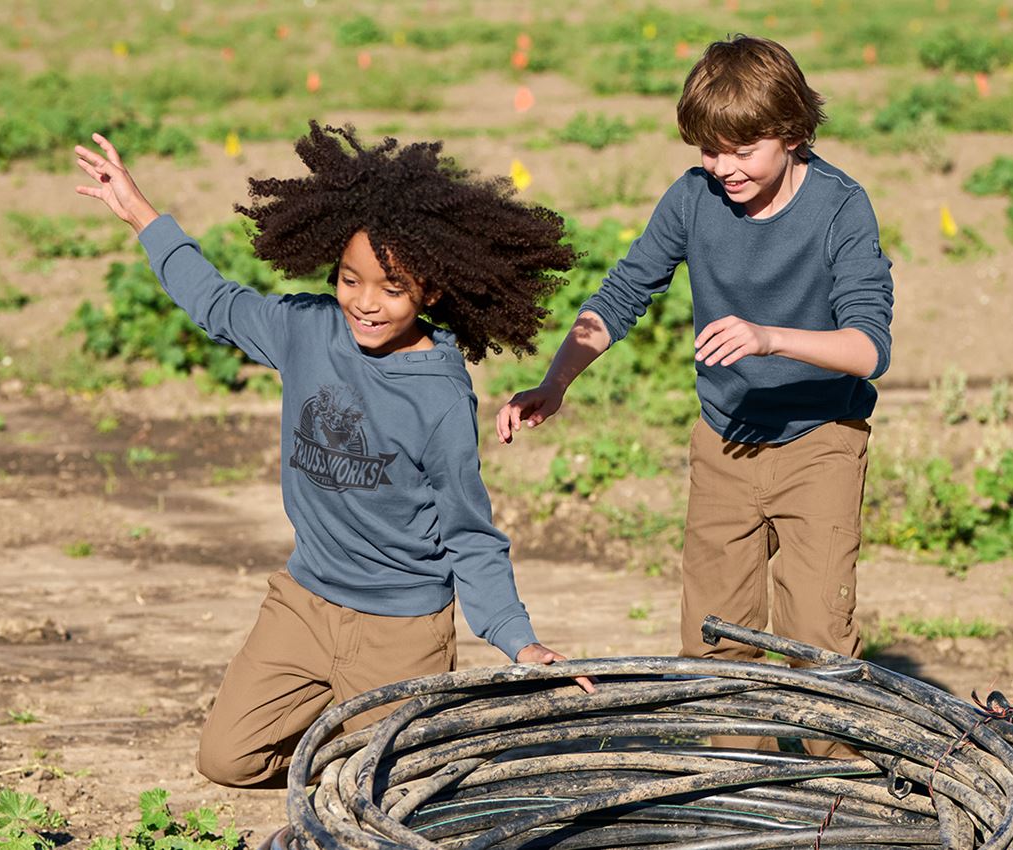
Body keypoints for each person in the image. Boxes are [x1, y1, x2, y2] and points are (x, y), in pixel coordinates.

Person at [75, 122, 592, 789]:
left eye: (392, 288)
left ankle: (422, 745)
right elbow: (216, 303)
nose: (366, 303)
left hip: (400, 626)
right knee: (225, 761)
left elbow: (468, 530)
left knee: (394, 794)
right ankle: (352, 749)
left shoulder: (437, 395)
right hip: (305, 604)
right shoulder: (308, 330)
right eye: (351, 280)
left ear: (432, 291)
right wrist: (140, 213)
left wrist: (519, 639)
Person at [496, 36, 893, 757]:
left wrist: (770, 337)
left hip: (820, 441)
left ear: (794, 132)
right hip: (724, 441)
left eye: (743, 150)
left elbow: (869, 348)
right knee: (713, 636)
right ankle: (727, 785)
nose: (724, 168)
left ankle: (840, 794)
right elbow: (621, 295)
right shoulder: (693, 196)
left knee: (817, 638)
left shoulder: (841, 209)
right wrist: (554, 383)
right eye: (710, 150)